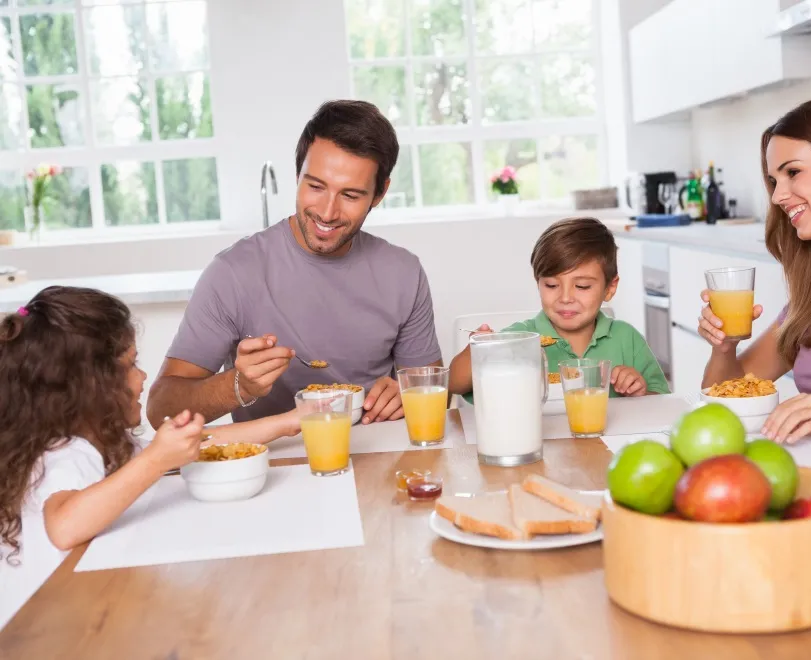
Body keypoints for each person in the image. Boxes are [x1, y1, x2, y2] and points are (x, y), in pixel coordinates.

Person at [0, 287, 303, 629]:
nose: (142, 377)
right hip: (47, 629)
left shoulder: (109, 443)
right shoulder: (64, 452)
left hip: (87, 608)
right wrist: (156, 460)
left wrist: (288, 422)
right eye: (130, 365)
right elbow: (63, 526)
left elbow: (203, 441)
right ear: (88, 386)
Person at [146, 100, 443, 429]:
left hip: (377, 455)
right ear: (297, 174)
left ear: (379, 193)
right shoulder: (232, 273)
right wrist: (237, 387)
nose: (327, 213)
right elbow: (161, 411)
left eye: (351, 195)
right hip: (277, 464)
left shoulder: (403, 273)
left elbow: (430, 387)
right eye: (315, 186)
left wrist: (407, 392)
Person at [698, 94, 811, 464]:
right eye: (773, 180)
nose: (779, 196)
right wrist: (724, 345)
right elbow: (722, 400)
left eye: (793, 172)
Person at [448, 217, 670, 400]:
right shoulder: (519, 341)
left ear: (609, 288)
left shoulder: (626, 339)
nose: (565, 297)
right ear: (538, 283)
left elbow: (660, 402)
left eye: (582, 286)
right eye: (551, 285)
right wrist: (477, 351)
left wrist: (639, 392)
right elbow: (454, 384)